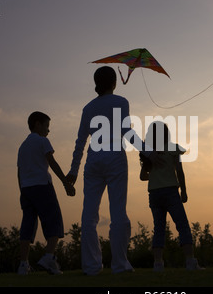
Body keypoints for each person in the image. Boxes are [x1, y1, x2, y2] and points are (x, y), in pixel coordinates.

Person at [67, 66, 159, 275]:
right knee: (118, 212)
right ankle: (120, 264)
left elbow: (81, 141)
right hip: (114, 157)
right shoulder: (120, 102)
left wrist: (73, 169)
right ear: (114, 82)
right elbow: (127, 130)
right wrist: (147, 151)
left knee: (89, 214)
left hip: (94, 159)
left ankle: (91, 267)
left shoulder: (88, 108)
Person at [17, 111, 75, 275]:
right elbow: (52, 162)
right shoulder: (43, 141)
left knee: (28, 225)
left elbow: (19, 172)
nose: (48, 130)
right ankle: (48, 257)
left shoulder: (22, 146)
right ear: (37, 124)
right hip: (42, 186)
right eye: (47, 126)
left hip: (26, 189)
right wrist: (66, 183)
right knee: (54, 221)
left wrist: (21, 191)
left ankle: (23, 264)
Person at [139, 121, 203, 272]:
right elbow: (179, 171)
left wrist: (155, 175)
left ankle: (158, 264)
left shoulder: (149, 153)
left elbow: (142, 176)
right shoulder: (173, 148)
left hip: (154, 193)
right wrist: (184, 191)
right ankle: (190, 261)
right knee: (182, 225)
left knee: (159, 228)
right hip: (170, 192)